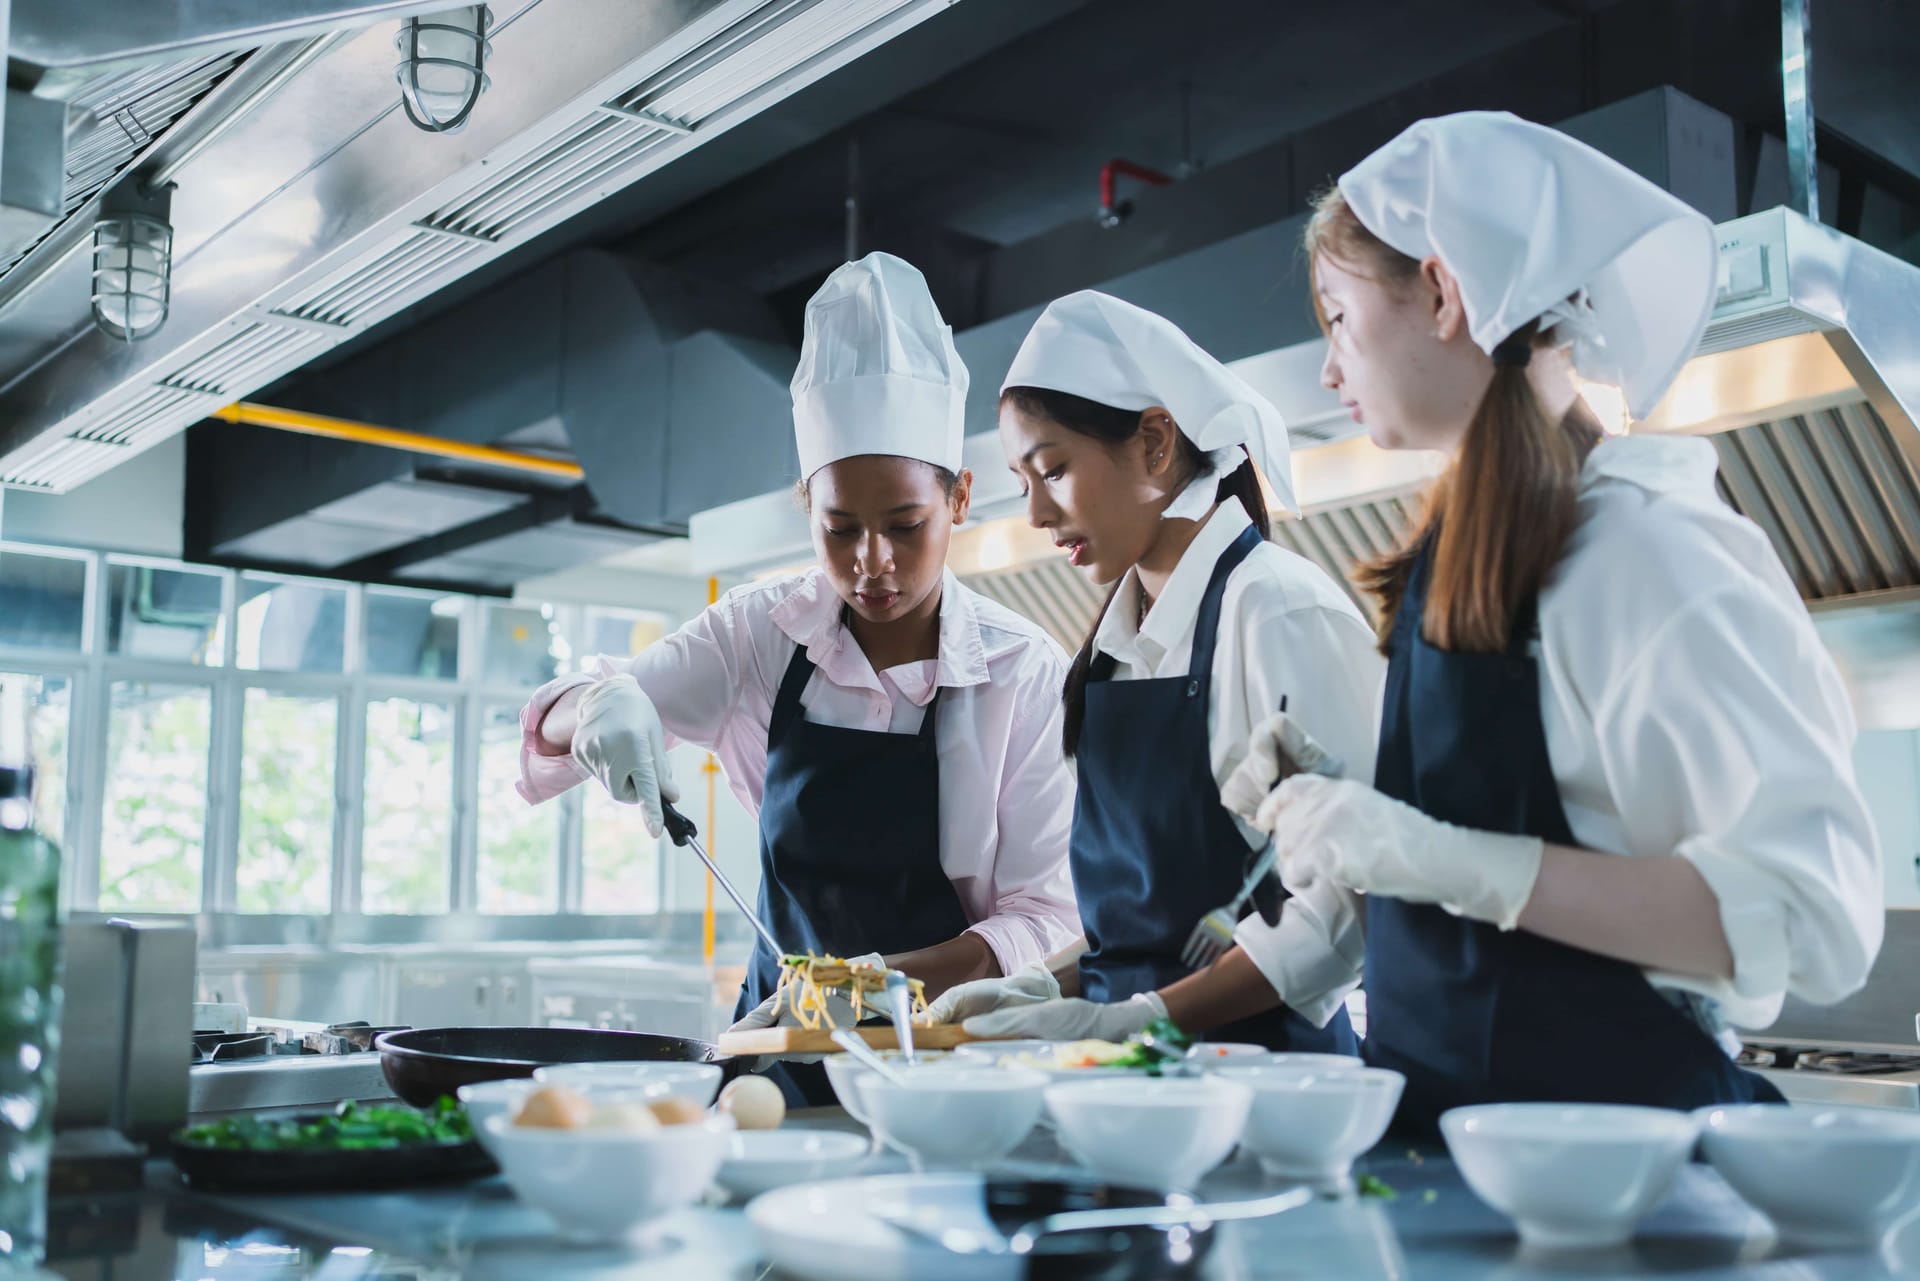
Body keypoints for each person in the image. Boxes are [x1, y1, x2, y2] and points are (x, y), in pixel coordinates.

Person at [1222, 111, 1882, 1129]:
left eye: (1339, 318)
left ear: (1443, 293)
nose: (1327, 367)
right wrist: (1347, 811)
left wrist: (1433, 856)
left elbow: (1814, 921)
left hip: (1626, 1168)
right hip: (1454, 1155)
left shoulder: (1645, 550)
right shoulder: (1463, 552)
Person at [518, 253, 1080, 1104]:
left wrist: (856, 991)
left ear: (961, 499)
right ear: (805, 506)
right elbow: (553, 732)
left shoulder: (1021, 670)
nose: (872, 563)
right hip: (770, 1058)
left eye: (905, 524)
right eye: (839, 528)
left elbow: (1046, 921)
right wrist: (596, 704)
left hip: (947, 1077)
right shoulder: (760, 631)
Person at [930, 291, 1384, 1053]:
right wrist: (1051, 981)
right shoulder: (1111, 650)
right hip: (1125, 1076)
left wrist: (1140, 1019)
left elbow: (1346, 910)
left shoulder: (1279, 612)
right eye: (1023, 483)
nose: (1036, 514)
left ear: (1155, 442)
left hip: (1262, 1085)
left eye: (1054, 471)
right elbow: (1138, 929)